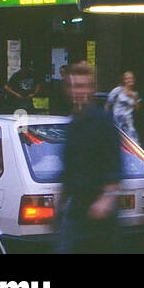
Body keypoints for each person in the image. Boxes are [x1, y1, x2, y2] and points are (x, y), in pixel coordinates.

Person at [57, 61, 122, 254]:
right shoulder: (72, 124)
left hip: (100, 214)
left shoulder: (103, 121)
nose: (78, 91)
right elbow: (68, 171)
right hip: (76, 208)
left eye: (83, 86)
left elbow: (115, 164)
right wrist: (59, 205)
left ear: (92, 89)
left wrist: (106, 199)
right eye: (74, 86)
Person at [105, 70, 140, 139]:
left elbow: (137, 109)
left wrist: (135, 97)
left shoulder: (135, 94)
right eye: (127, 78)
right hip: (117, 122)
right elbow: (107, 105)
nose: (129, 80)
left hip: (128, 124)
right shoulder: (118, 90)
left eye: (131, 78)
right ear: (124, 80)